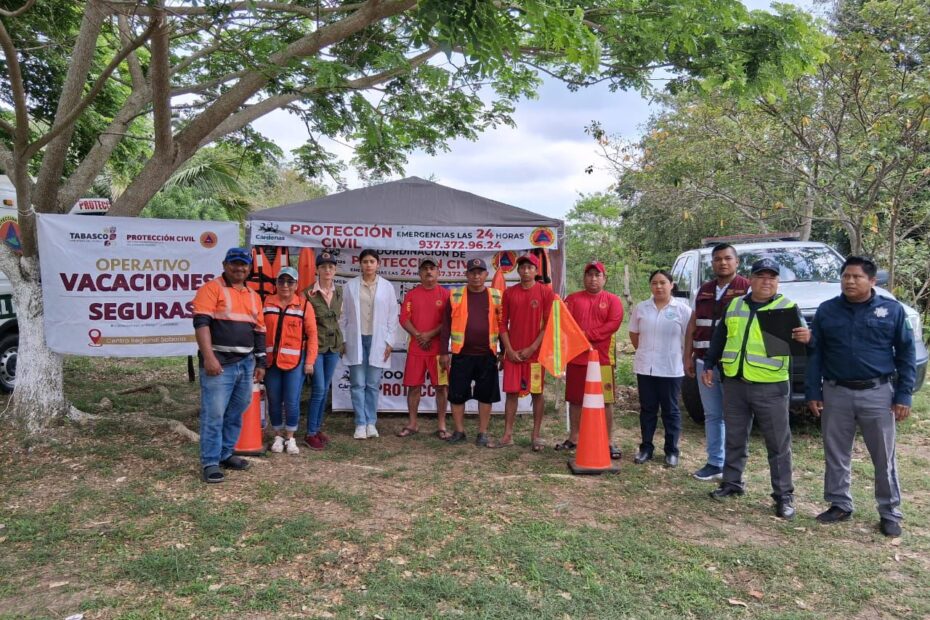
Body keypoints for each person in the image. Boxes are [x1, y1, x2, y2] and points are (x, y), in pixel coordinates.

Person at [805, 256, 916, 537]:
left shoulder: (891, 310)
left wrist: (903, 395)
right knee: (836, 452)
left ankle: (889, 512)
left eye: (857, 277)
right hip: (836, 391)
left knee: (883, 456)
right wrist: (813, 391)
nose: (850, 281)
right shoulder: (827, 310)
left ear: (872, 280)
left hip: (877, 393)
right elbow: (815, 352)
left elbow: (906, 354)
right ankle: (839, 503)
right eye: (846, 276)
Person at [702, 258, 810, 519]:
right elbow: (720, 337)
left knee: (778, 444)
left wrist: (808, 338)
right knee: (735, 437)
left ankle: (783, 495)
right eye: (761, 276)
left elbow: (803, 345)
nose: (766, 281)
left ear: (778, 282)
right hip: (735, 383)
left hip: (770, 386)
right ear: (750, 279)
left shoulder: (786, 308)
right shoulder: (735, 305)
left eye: (772, 277)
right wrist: (709, 364)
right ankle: (732, 482)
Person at [192, 247, 266, 483]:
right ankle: (210, 462)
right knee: (214, 414)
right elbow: (201, 324)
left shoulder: (253, 295)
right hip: (219, 364)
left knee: (236, 411)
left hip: (245, 364)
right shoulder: (211, 288)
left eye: (243, 264)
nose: (239, 268)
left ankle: (225, 453)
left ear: (249, 268)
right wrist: (209, 357)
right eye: (234, 263)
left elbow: (259, 330)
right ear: (225, 265)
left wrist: (261, 362)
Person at [683, 243, 751, 481]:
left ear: (736, 262)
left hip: (733, 365)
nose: (723, 262)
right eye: (718, 259)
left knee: (735, 417)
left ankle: (734, 467)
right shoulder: (704, 289)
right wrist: (687, 356)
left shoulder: (747, 288)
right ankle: (715, 462)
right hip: (704, 362)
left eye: (727, 258)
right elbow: (693, 324)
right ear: (712, 263)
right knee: (712, 414)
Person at [558, 261, 624, 458]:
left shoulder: (613, 300)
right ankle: (574, 437)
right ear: (584, 278)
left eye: (597, 275)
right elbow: (564, 323)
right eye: (589, 275)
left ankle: (608, 441)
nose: (593, 279)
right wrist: (579, 337)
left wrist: (587, 335)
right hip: (576, 358)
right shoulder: (572, 299)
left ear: (604, 279)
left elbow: (613, 324)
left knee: (606, 400)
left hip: (602, 359)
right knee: (575, 400)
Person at [629, 269, 692, 467]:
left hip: (671, 368)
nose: (658, 286)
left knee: (670, 411)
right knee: (647, 409)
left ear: (671, 285)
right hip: (646, 367)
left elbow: (688, 337)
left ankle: (671, 451)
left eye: (663, 282)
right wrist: (647, 351)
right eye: (654, 283)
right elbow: (634, 334)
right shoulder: (641, 308)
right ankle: (646, 448)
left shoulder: (682, 310)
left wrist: (684, 358)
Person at [438, 258, 503, 445]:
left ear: (486, 275)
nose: (476, 276)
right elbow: (446, 326)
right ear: (466, 274)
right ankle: (459, 431)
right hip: (462, 354)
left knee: (486, 396)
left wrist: (503, 352)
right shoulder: (455, 295)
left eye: (480, 272)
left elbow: (503, 326)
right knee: (457, 395)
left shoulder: (497, 296)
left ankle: (482, 433)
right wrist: (444, 352)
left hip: (487, 354)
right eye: (472, 272)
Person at [499, 254, 556, 451]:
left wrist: (532, 347)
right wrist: (508, 350)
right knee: (511, 393)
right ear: (518, 270)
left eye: (530, 267)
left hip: (536, 355)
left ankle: (536, 435)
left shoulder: (546, 292)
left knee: (537, 393)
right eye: (522, 267)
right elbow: (502, 324)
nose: (525, 271)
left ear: (536, 270)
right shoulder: (509, 293)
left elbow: (548, 325)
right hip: (513, 354)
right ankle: (507, 434)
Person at [340, 249, 398, 440]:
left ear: (378, 264)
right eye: (365, 261)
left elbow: (392, 316)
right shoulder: (350, 286)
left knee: (372, 384)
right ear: (360, 264)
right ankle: (360, 423)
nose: (368, 265)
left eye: (372, 261)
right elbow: (343, 316)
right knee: (357, 383)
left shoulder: (387, 287)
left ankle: (371, 422)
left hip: (378, 340)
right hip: (355, 339)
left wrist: (389, 341)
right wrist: (343, 339)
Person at [263, 266, 318, 455]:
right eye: (281, 281)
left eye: (290, 282)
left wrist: (310, 361)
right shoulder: (266, 302)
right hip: (271, 362)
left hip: (295, 362)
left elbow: (312, 335)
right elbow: (258, 330)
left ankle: (290, 437)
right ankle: (278, 435)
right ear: (276, 283)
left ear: (296, 285)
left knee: (292, 400)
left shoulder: (304, 305)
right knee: (274, 399)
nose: (285, 285)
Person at [396, 258, 452, 438]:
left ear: (438, 272)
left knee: (441, 387)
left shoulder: (446, 295)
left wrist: (429, 334)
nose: (429, 271)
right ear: (419, 273)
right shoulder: (412, 294)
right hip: (416, 348)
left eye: (432, 268)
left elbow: (448, 321)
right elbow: (404, 318)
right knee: (413, 387)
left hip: (438, 351)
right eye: (425, 268)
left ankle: (442, 425)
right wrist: (419, 335)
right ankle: (412, 423)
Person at [303, 251, 344, 450]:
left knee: (325, 388)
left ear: (335, 270)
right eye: (323, 267)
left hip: (333, 346)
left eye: (331, 267)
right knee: (319, 389)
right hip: (316, 347)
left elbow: (341, 319)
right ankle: (310, 433)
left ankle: (317, 429)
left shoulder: (340, 292)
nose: (327, 270)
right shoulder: (307, 294)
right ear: (317, 270)